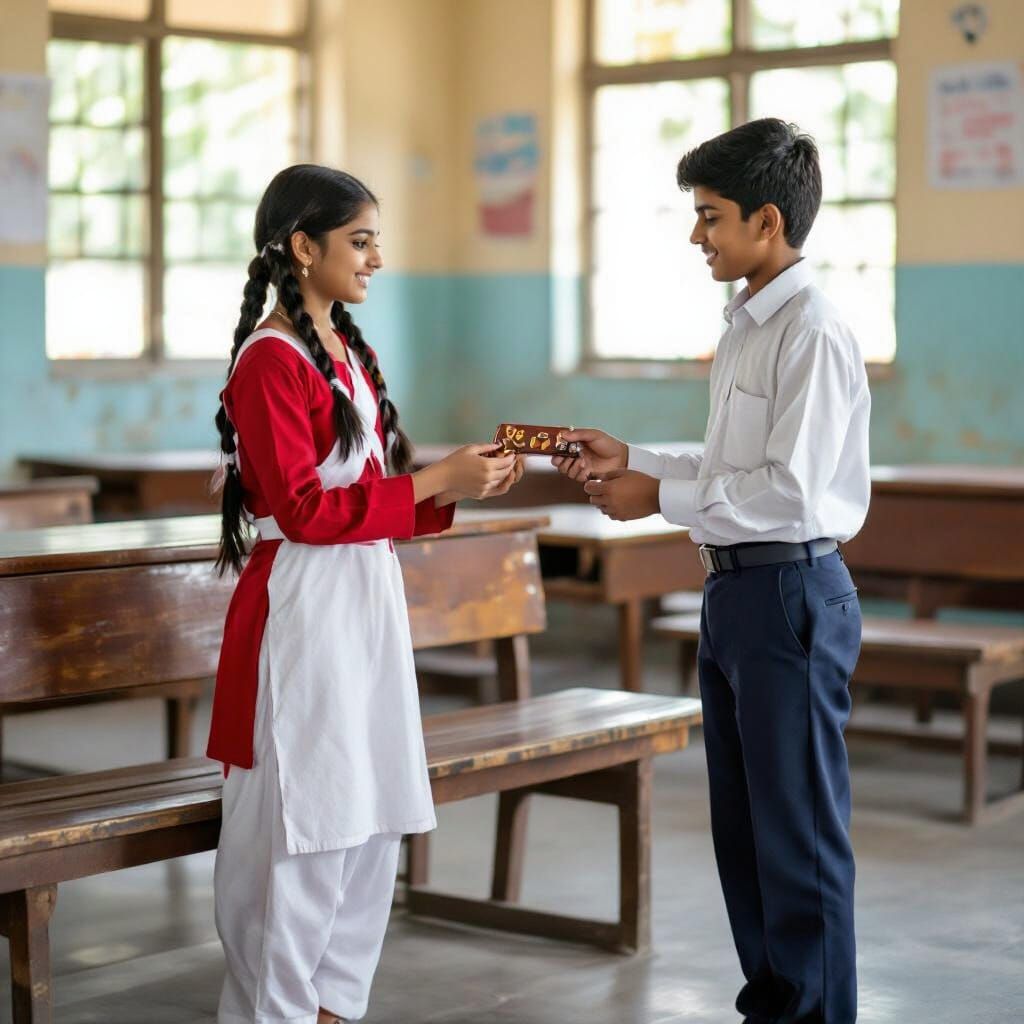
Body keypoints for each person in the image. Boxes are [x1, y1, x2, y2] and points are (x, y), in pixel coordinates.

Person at [553, 119, 870, 1023]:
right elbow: (730, 464)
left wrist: (655, 496)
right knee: (748, 833)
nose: (698, 237)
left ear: (767, 221)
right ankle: (772, 1007)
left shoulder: (810, 329)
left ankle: (814, 1015)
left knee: (800, 840)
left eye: (712, 217)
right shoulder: (746, 323)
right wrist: (637, 458)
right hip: (737, 592)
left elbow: (789, 491)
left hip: (790, 592)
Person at [206, 163, 523, 1024]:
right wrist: (431, 482)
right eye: (360, 239)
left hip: (364, 604)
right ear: (302, 248)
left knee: (368, 814)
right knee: (301, 827)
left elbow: (371, 500)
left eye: (378, 239)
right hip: (304, 613)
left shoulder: (342, 350)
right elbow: (304, 510)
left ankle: (334, 1009)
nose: (376, 257)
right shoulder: (269, 361)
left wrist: (456, 482)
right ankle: (274, 1010)